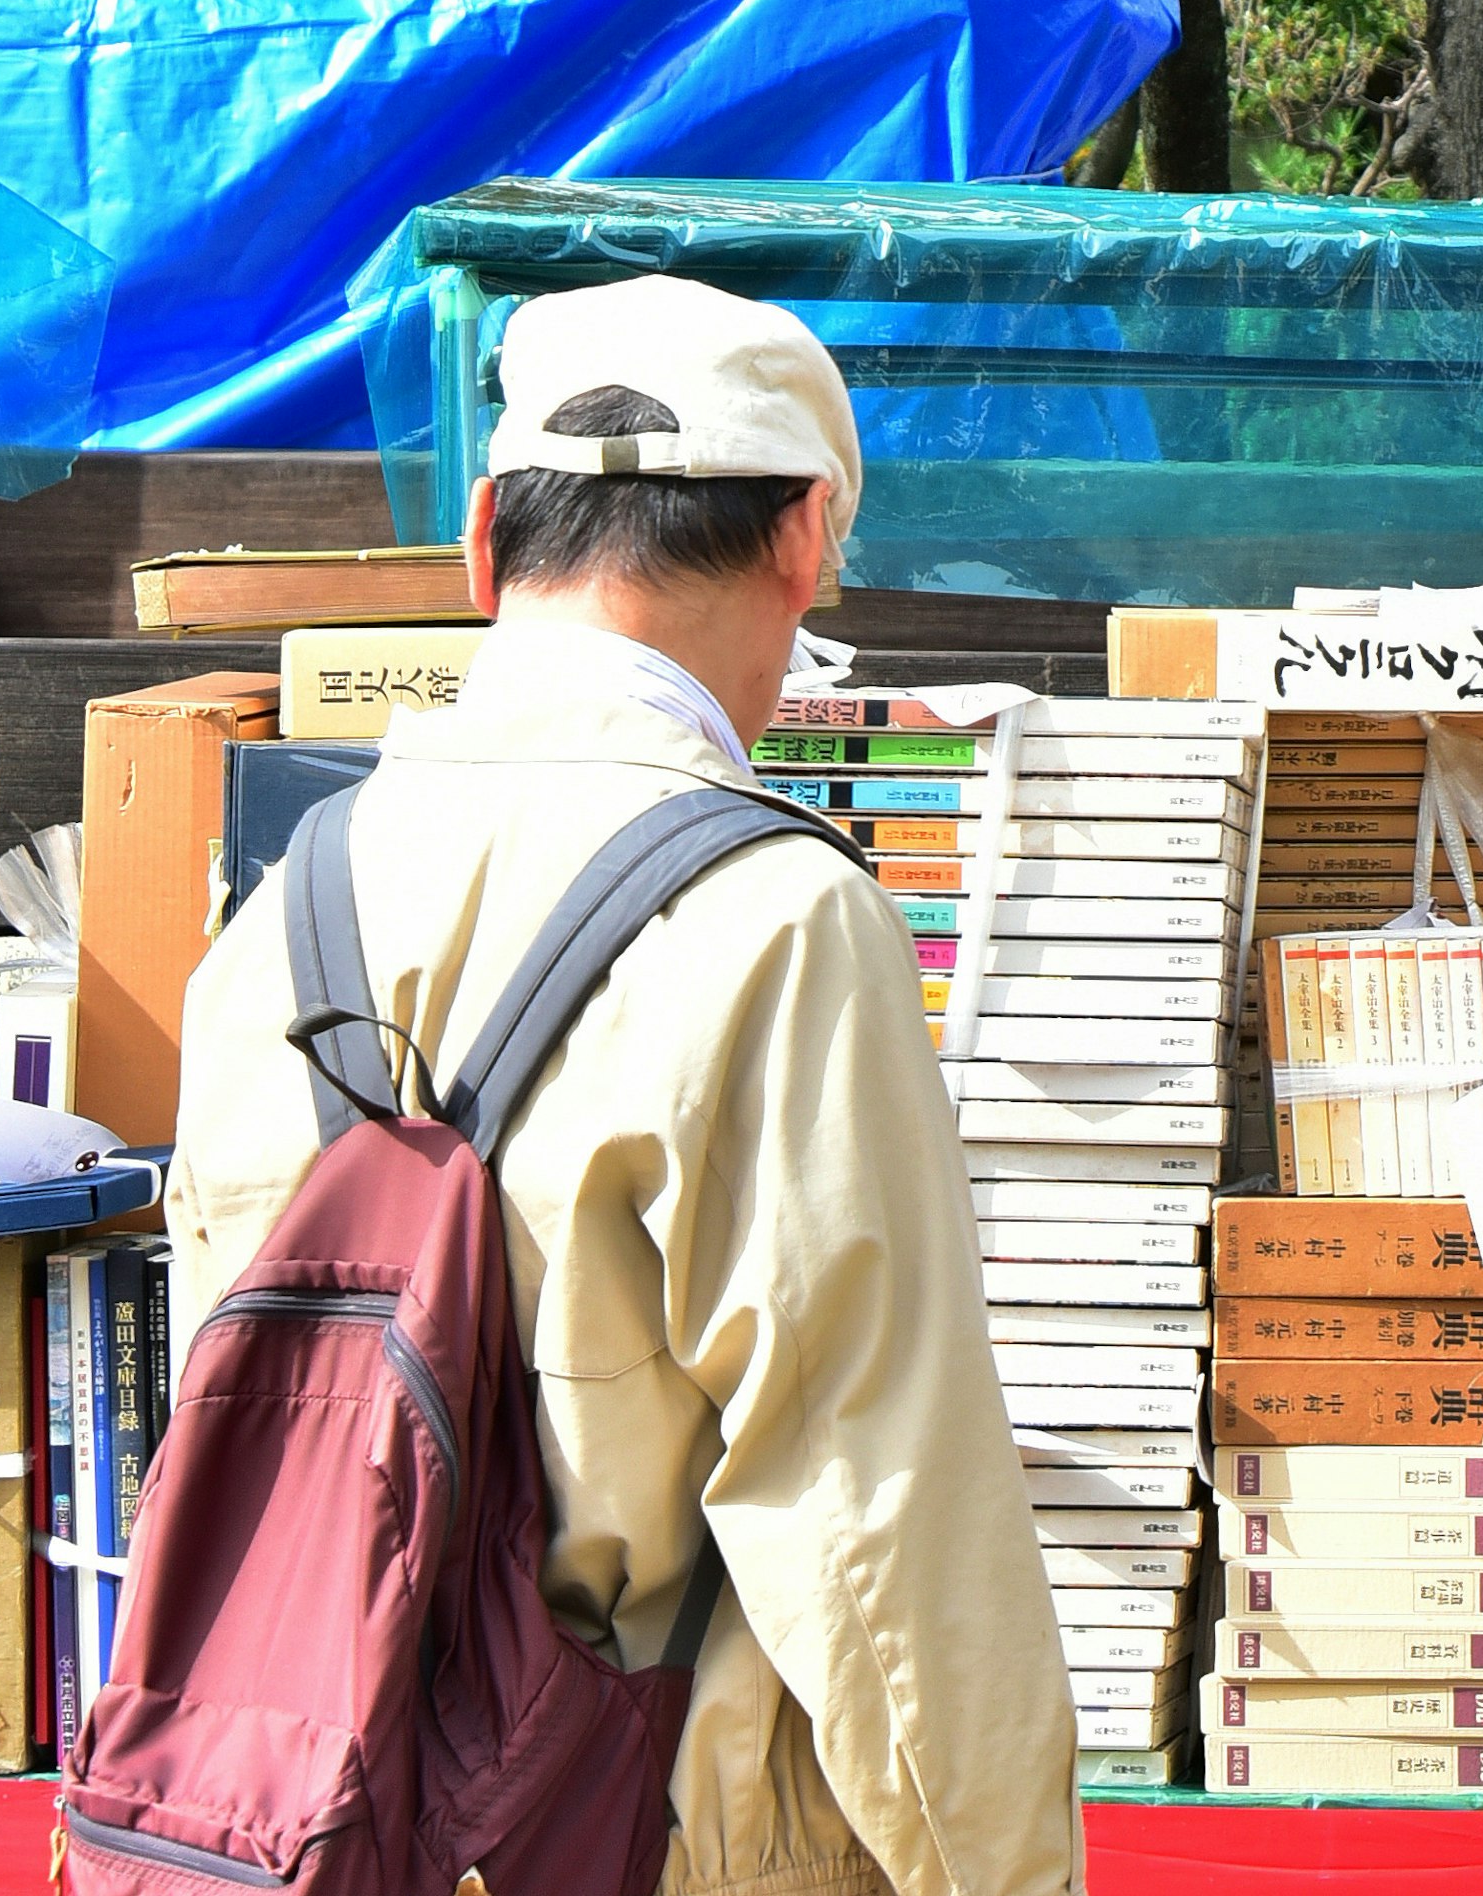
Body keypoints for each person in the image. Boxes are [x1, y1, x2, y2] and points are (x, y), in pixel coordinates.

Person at [168, 278, 1081, 1896]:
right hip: (652, 1831)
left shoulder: (279, 916)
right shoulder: (779, 919)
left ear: (479, 542)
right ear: (804, 540)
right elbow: (875, 1523)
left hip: (301, 1825)